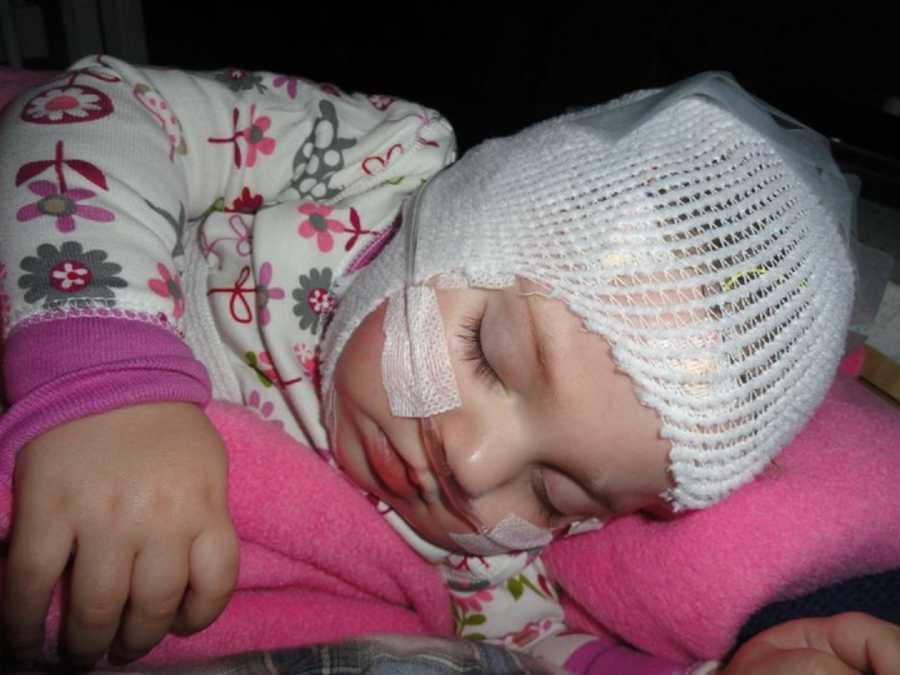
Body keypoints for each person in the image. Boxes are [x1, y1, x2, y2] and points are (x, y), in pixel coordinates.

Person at [0, 55, 894, 674]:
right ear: (450, 217)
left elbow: (543, 651)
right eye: (489, 357)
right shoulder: (375, 159)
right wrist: (109, 387)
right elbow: (99, 110)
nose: (470, 467)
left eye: (556, 494)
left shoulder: (486, 566)